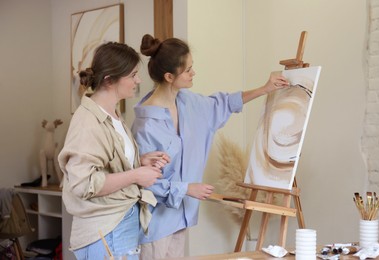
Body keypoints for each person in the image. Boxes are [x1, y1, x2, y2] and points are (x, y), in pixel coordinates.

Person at [131, 34, 290, 259]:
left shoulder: (188, 103)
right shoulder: (145, 125)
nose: (193, 73)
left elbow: (222, 103)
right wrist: (187, 189)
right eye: (188, 70)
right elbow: (146, 182)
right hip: (154, 223)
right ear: (169, 76)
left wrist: (265, 88)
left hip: (180, 217)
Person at [58, 42, 169, 260]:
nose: (138, 81)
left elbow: (109, 166)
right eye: (133, 75)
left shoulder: (112, 114)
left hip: (119, 223)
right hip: (105, 231)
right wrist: (136, 175)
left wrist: (140, 162)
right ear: (110, 79)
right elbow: (84, 183)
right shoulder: (88, 122)